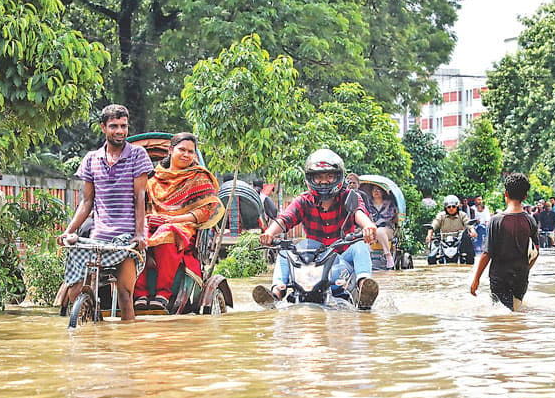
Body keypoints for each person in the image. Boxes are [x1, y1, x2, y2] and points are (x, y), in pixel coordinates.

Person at [57, 104, 152, 322]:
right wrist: (68, 231)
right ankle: (90, 324)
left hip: (127, 235)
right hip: (99, 235)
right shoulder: (91, 159)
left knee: (125, 295)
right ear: (103, 127)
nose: (119, 131)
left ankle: (128, 344)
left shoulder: (138, 155)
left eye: (123, 126)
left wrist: (139, 234)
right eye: (114, 126)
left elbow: (140, 198)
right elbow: (86, 202)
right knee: (75, 290)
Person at [254, 149, 379, 309]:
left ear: (338, 177)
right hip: (312, 260)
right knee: (285, 251)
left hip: (341, 255)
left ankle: (363, 287)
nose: (324, 181)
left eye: (329, 176)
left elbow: (358, 212)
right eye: (319, 177)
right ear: (311, 179)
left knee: (360, 246)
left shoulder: (349, 197)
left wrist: (368, 226)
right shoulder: (303, 201)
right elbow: (285, 219)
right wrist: (269, 233)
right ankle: (276, 291)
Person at [133, 132, 224, 311]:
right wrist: (148, 219)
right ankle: (139, 294)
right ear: (170, 150)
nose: (186, 155)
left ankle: (163, 294)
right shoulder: (153, 177)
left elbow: (205, 210)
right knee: (137, 233)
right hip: (151, 222)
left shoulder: (199, 177)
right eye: (182, 150)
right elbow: (141, 205)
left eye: (190, 152)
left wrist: (173, 219)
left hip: (182, 226)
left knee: (167, 232)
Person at [470, 173, 540, 311]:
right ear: (525, 196)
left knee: (501, 314)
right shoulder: (530, 220)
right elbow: (536, 252)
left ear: (505, 193)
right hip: (521, 277)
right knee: (516, 311)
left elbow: (487, 254)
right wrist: (525, 269)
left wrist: (476, 279)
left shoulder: (496, 220)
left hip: (499, 277)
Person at [426, 195, 476, 264]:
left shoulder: (462, 215)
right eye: (449, 207)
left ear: (457, 207)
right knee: (431, 257)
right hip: (444, 242)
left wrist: (473, 232)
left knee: (470, 255)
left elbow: (468, 224)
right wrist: (429, 235)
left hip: (459, 242)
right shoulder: (441, 216)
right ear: (445, 208)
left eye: (453, 206)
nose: (451, 208)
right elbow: (433, 225)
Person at [368, 184, 398, 268]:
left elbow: (392, 217)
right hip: (371, 229)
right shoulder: (368, 204)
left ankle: (388, 256)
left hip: (387, 228)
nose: (376, 192)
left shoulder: (389, 204)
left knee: (379, 231)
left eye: (378, 190)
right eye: (374, 190)